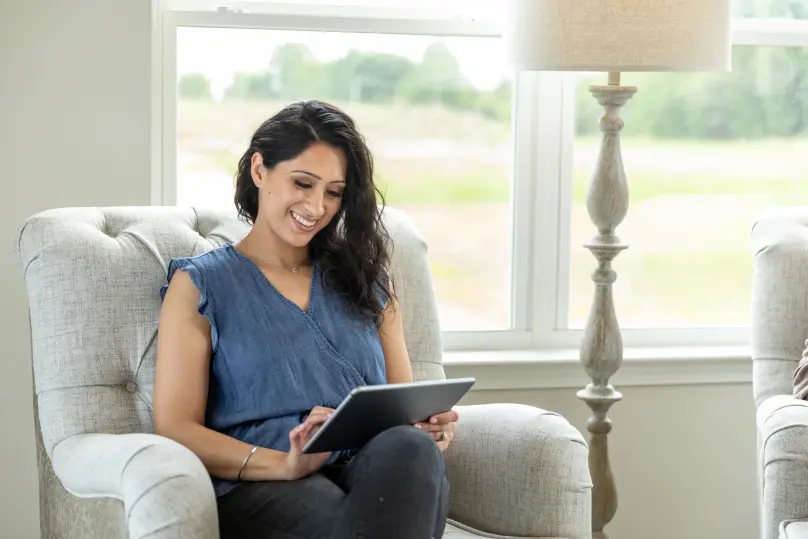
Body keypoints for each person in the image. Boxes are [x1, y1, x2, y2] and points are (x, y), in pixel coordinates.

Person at [153, 100, 458, 539]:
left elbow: (400, 408)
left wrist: (429, 427)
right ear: (259, 170)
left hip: (371, 472)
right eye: (302, 183)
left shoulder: (368, 281)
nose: (316, 207)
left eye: (333, 192)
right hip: (265, 480)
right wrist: (284, 463)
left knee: (411, 447)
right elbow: (176, 427)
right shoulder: (200, 285)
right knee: (349, 522)